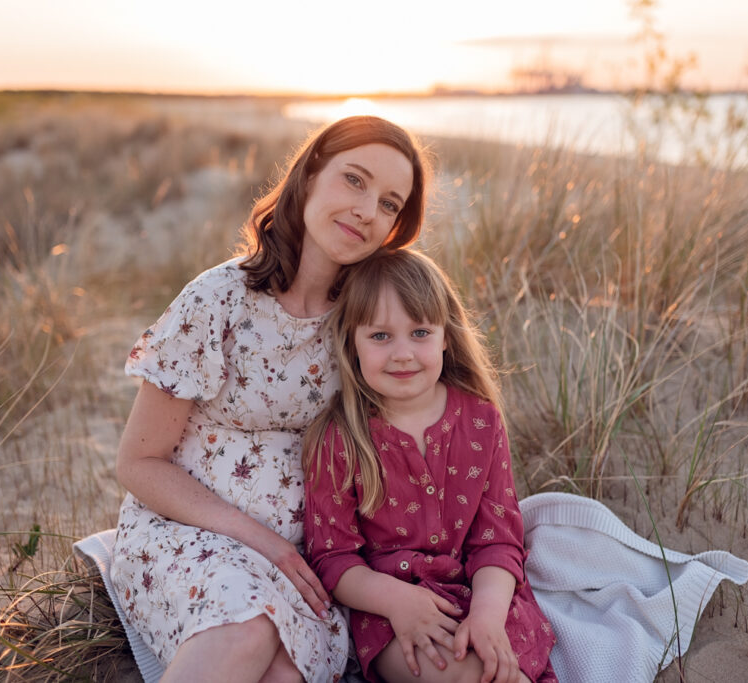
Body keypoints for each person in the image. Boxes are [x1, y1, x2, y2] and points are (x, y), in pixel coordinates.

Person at [110, 115, 430, 683]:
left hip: (313, 558)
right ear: (309, 176)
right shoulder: (218, 300)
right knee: (249, 626)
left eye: (388, 203)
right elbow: (138, 462)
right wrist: (260, 541)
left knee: (286, 671)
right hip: (187, 535)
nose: (365, 210)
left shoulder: (370, 323)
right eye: (353, 180)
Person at [303, 250, 557, 683]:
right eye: (380, 336)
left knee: (503, 668)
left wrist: (488, 617)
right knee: (466, 675)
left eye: (419, 332)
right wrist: (397, 602)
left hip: (483, 592)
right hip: (391, 609)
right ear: (352, 341)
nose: (403, 354)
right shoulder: (340, 438)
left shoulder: (481, 420)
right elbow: (333, 558)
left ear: (444, 337)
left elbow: (497, 539)